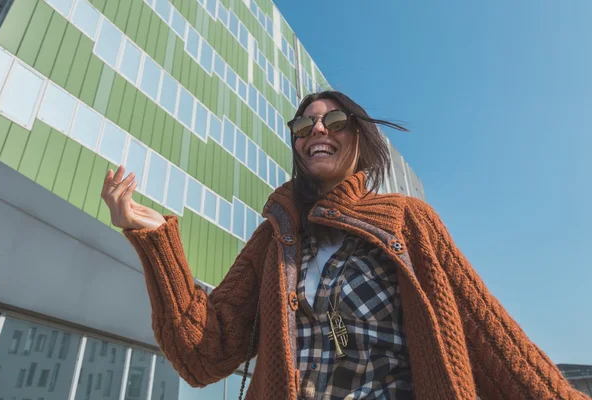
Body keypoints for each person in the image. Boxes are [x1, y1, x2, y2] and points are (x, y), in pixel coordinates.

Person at [101, 91, 587, 400]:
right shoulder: (275, 236)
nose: (315, 129)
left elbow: (492, 338)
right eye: (303, 125)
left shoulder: (406, 219)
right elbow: (202, 356)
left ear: (359, 135)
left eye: (333, 120)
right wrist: (154, 240)